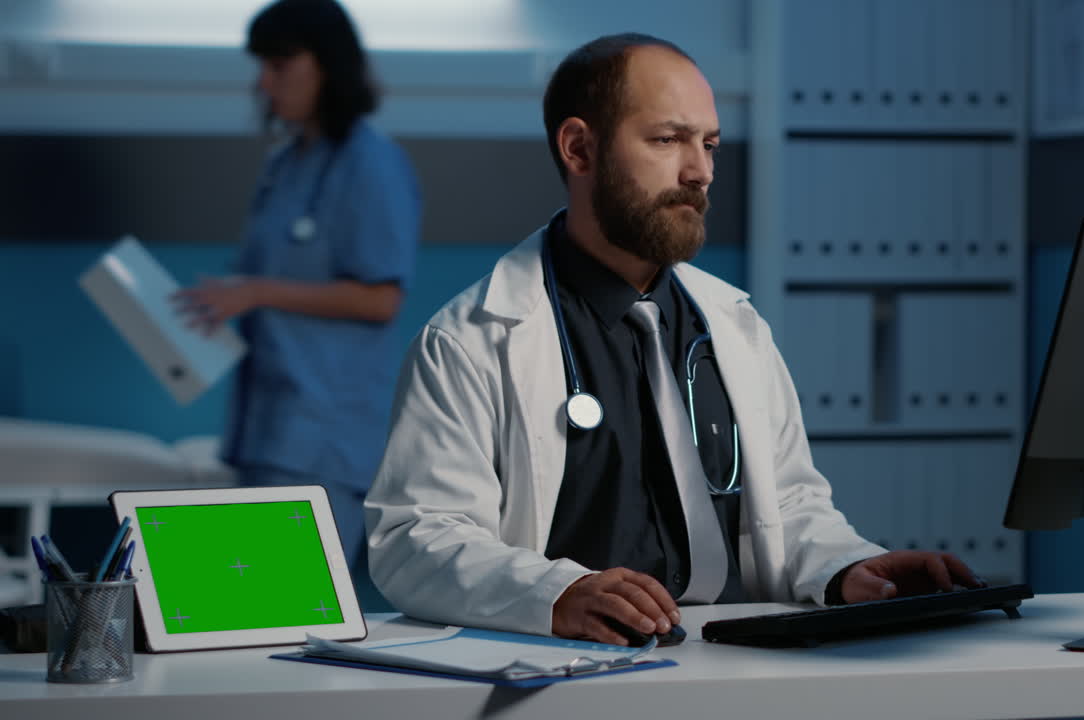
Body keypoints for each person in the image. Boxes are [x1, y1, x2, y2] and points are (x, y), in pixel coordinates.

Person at [365, 33, 977, 646]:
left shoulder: (734, 326)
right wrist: (554, 594)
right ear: (579, 149)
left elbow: (785, 507)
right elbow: (417, 539)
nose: (701, 172)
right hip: (567, 666)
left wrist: (848, 569)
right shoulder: (470, 340)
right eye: (668, 140)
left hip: (730, 660)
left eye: (709, 144)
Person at [174, 0, 421, 569]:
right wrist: (234, 294)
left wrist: (256, 291)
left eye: (280, 65)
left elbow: (381, 298)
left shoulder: (372, 164)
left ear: (328, 65)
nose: (263, 82)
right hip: (266, 425)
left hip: (322, 436)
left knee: (290, 624)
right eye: (261, 65)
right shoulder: (287, 164)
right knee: (249, 622)